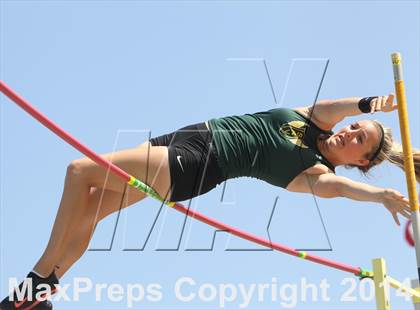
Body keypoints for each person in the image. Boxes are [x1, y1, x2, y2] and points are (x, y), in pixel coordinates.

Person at [1, 94, 419, 309]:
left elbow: (344, 191)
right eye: (356, 127)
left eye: (359, 139)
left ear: (360, 161)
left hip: (197, 164)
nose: (349, 131)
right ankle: (42, 289)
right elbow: (346, 105)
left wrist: (381, 194)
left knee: (79, 171)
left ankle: (37, 280)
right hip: (184, 138)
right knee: (91, 206)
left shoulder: (315, 173)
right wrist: (372, 104)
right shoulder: (314, 118)